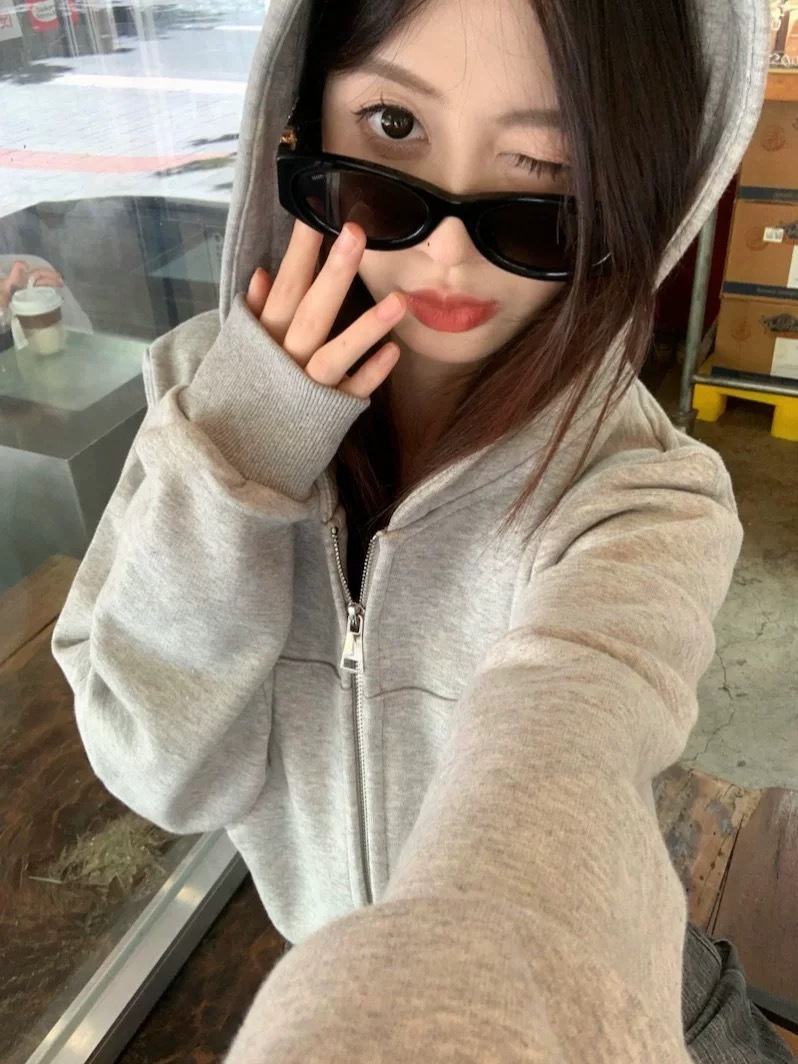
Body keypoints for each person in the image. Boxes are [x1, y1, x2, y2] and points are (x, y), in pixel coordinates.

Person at [51, 0, 792, 1060]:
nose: (448, 246)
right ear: (302, 114)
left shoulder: (645, 498)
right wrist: (248, 450)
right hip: (326, 967)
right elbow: (160, 768)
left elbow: (570, 746)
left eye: (547, 166)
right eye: (393, 126)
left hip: (614, 1001)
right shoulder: (198, 398)